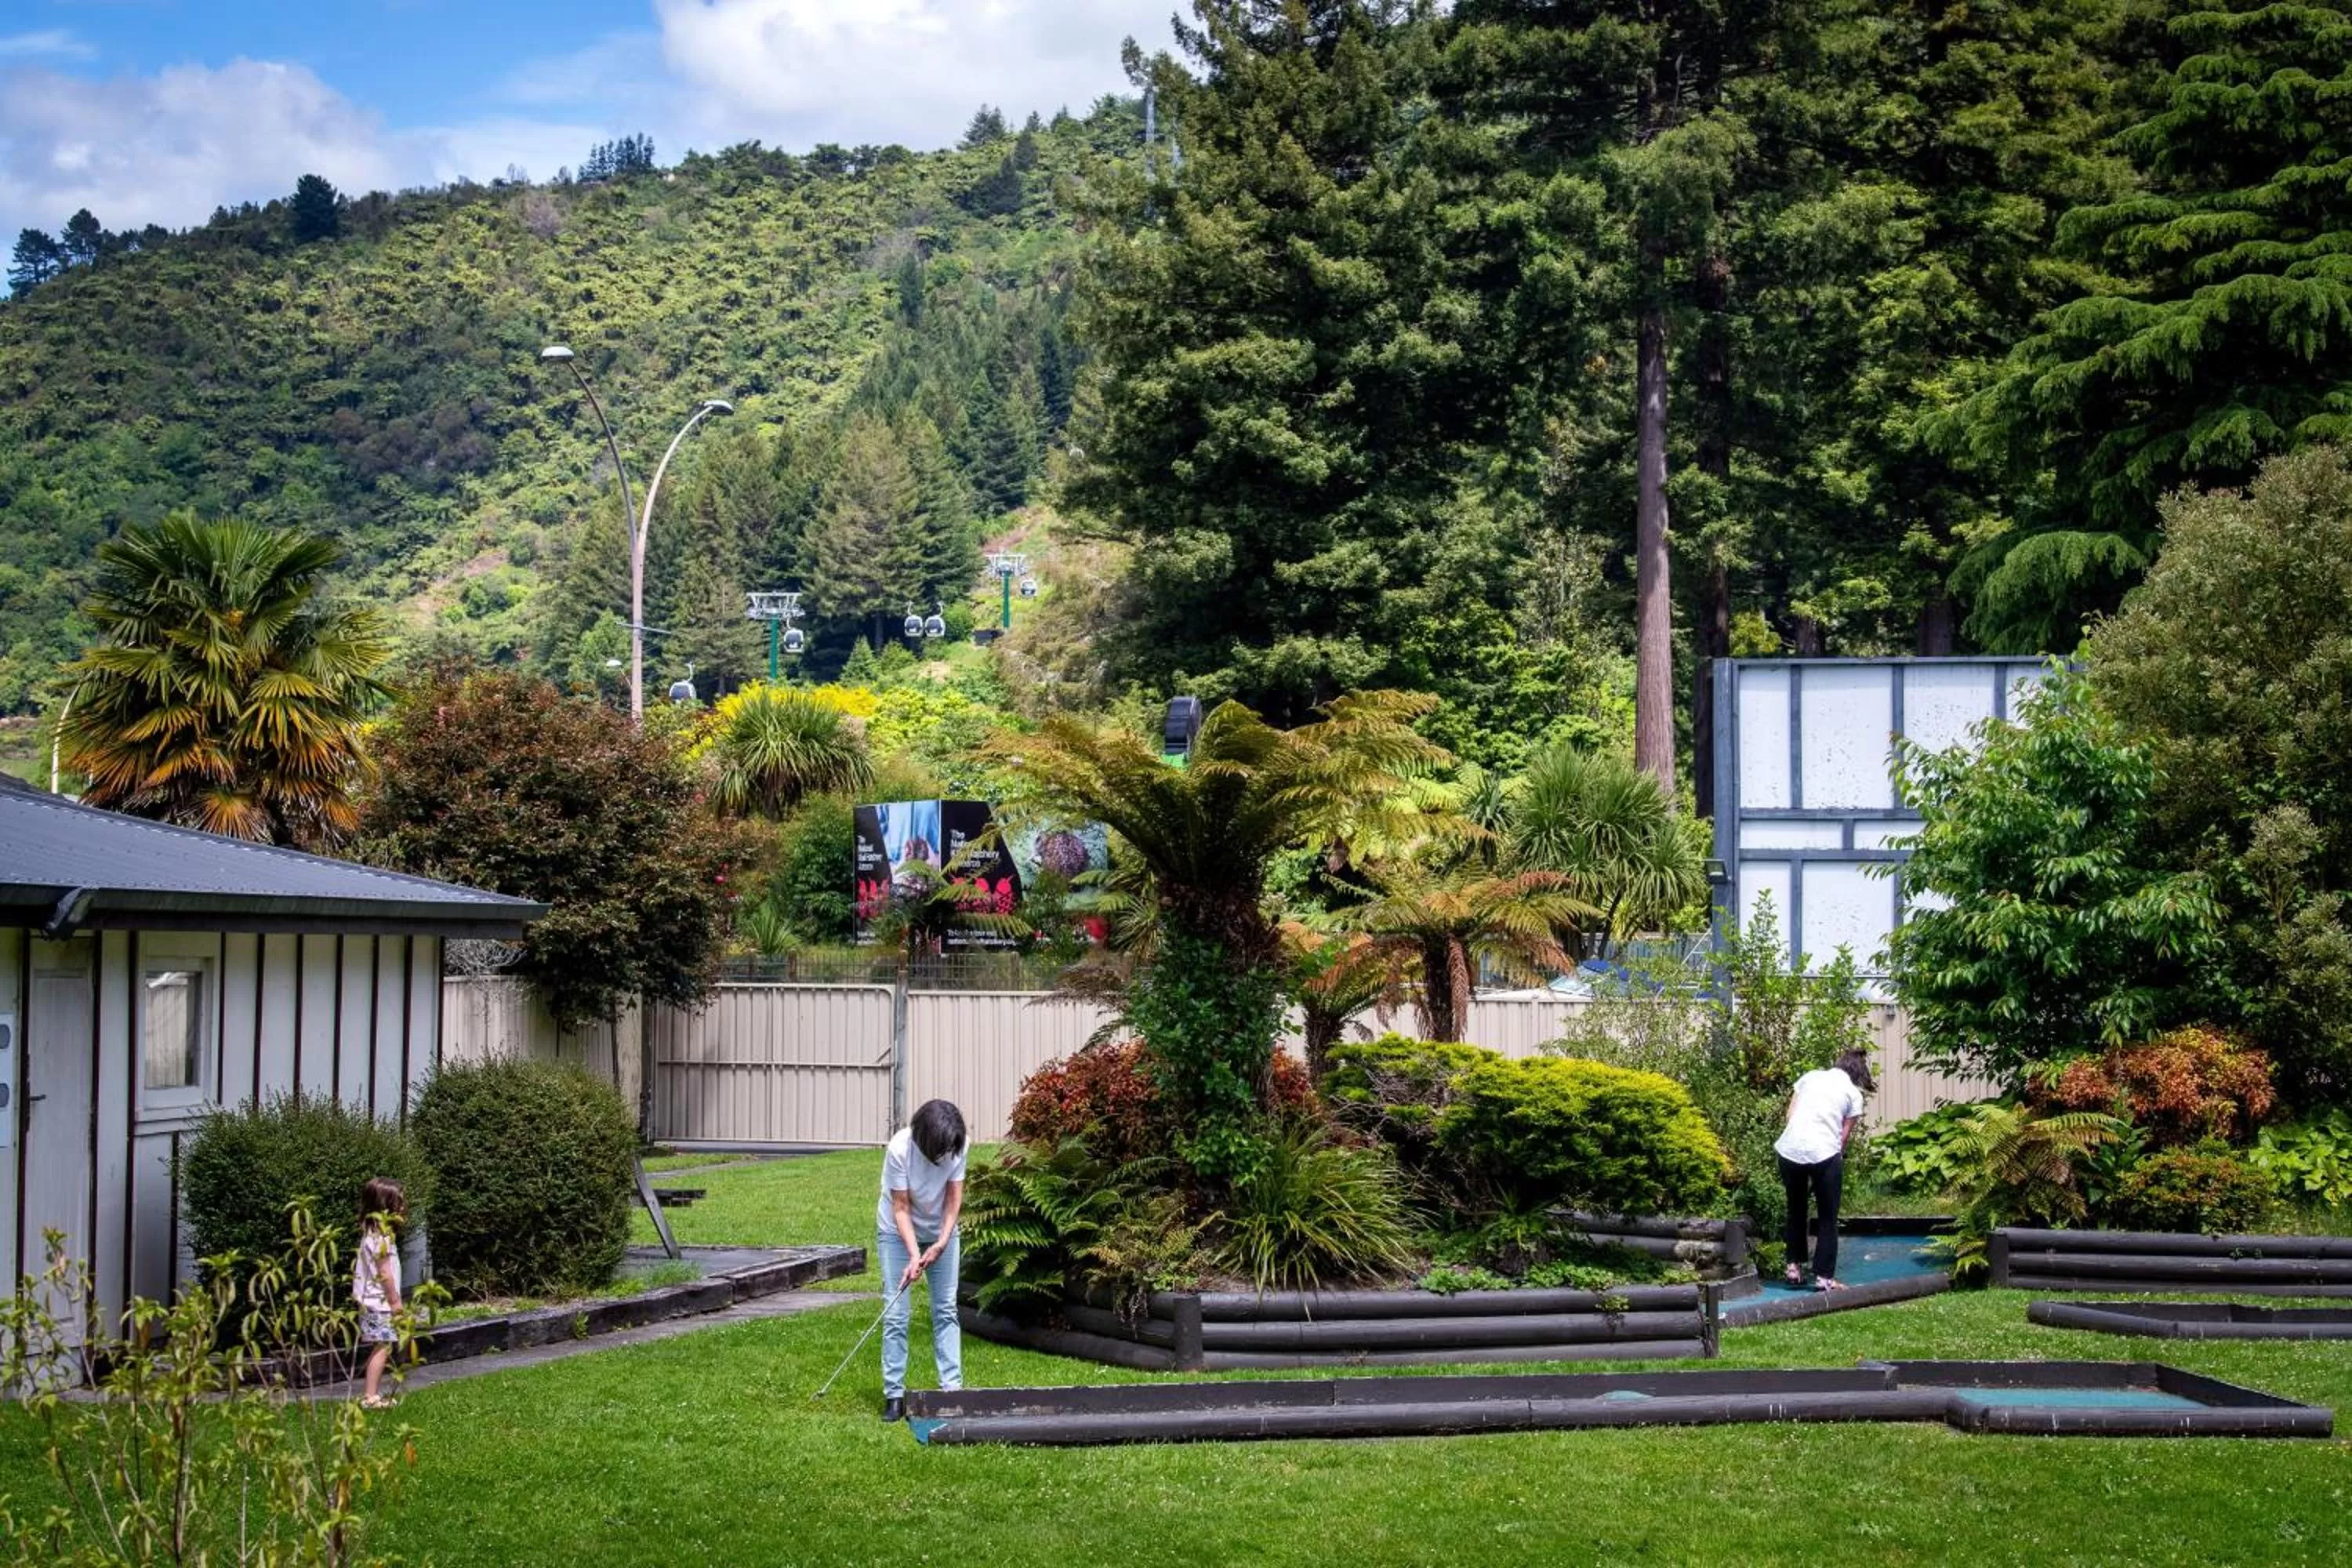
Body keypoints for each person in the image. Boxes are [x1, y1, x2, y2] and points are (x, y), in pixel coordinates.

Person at [876, 1099, 967, 1422]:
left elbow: (955, 1197)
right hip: (897, 1233)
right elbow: (900, 1207)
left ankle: (952, 1391)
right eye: (940, 1149)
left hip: (942, 1230)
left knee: (945, 1309)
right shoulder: (900, 1149)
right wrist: (914, 1254)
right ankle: (894, 1395)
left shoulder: (957, 1143)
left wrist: (942, 1242)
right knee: (897, 1313)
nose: (946, 1155)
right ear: (926, 1138)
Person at [1773, 1048, 1873, 1291]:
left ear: (1837, 1064)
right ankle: (1824, 1278)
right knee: (1828, 1216)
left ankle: (1793, 1269)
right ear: (1858, 1073)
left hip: (1789, 1149)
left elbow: (1790, 1116)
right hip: (1825, 1153)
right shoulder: (1853, 1094)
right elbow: (1842, 1138)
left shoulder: (1810, 1077)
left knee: (1796, 1209)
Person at [354, 1176, 407, 1408]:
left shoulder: (371, 1233)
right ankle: (371, 1396)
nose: (403, 1208)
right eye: (399, 1204)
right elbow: (385, 1274)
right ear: (385, 1207)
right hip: (380, 1302)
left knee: (381, 1345)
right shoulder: (381, 1239)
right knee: (382, 1346)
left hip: (371, 1301)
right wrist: (396, 1302)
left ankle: (370, 1394)